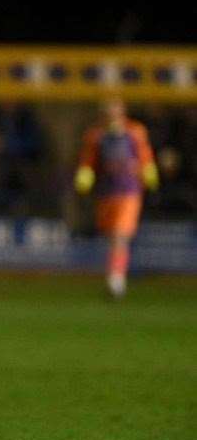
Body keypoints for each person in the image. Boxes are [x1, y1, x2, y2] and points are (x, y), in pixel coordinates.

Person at [75, 98, 158, 298]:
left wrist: (149, 173)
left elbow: (144, 155)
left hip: (129, 191)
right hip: (106, 192)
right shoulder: (96, 136)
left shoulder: (135, 132)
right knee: (112, 237)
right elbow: (89, 159)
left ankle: (116, 281)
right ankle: (116, 275)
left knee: (120, 235)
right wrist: (84, 176)